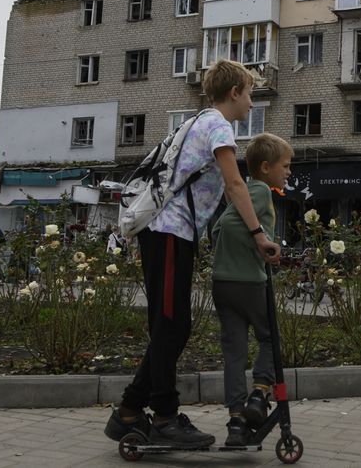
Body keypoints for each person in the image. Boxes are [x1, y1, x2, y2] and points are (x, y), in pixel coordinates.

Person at [105, 59, 281, 449]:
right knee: (171, 324)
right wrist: (258, 235)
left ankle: (131, 412)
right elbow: (235, 183)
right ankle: (163, 416)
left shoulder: (198, 120)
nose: (251, 103)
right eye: (249, 94)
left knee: (172, 324)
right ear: (234, 92)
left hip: (172, 234)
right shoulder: (218, 125)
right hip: (168, 231)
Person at [210, 132, 291, 446]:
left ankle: (236, 422)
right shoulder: (257, 190)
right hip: (248, 282)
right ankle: (258, 394)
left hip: (223, 282)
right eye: (285, 166)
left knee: (234, 351)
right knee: (270, 337)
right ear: (267, 167)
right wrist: (258, 244)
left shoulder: (244, 193)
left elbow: (219, 227)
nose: (289, 172)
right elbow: (231, 226)